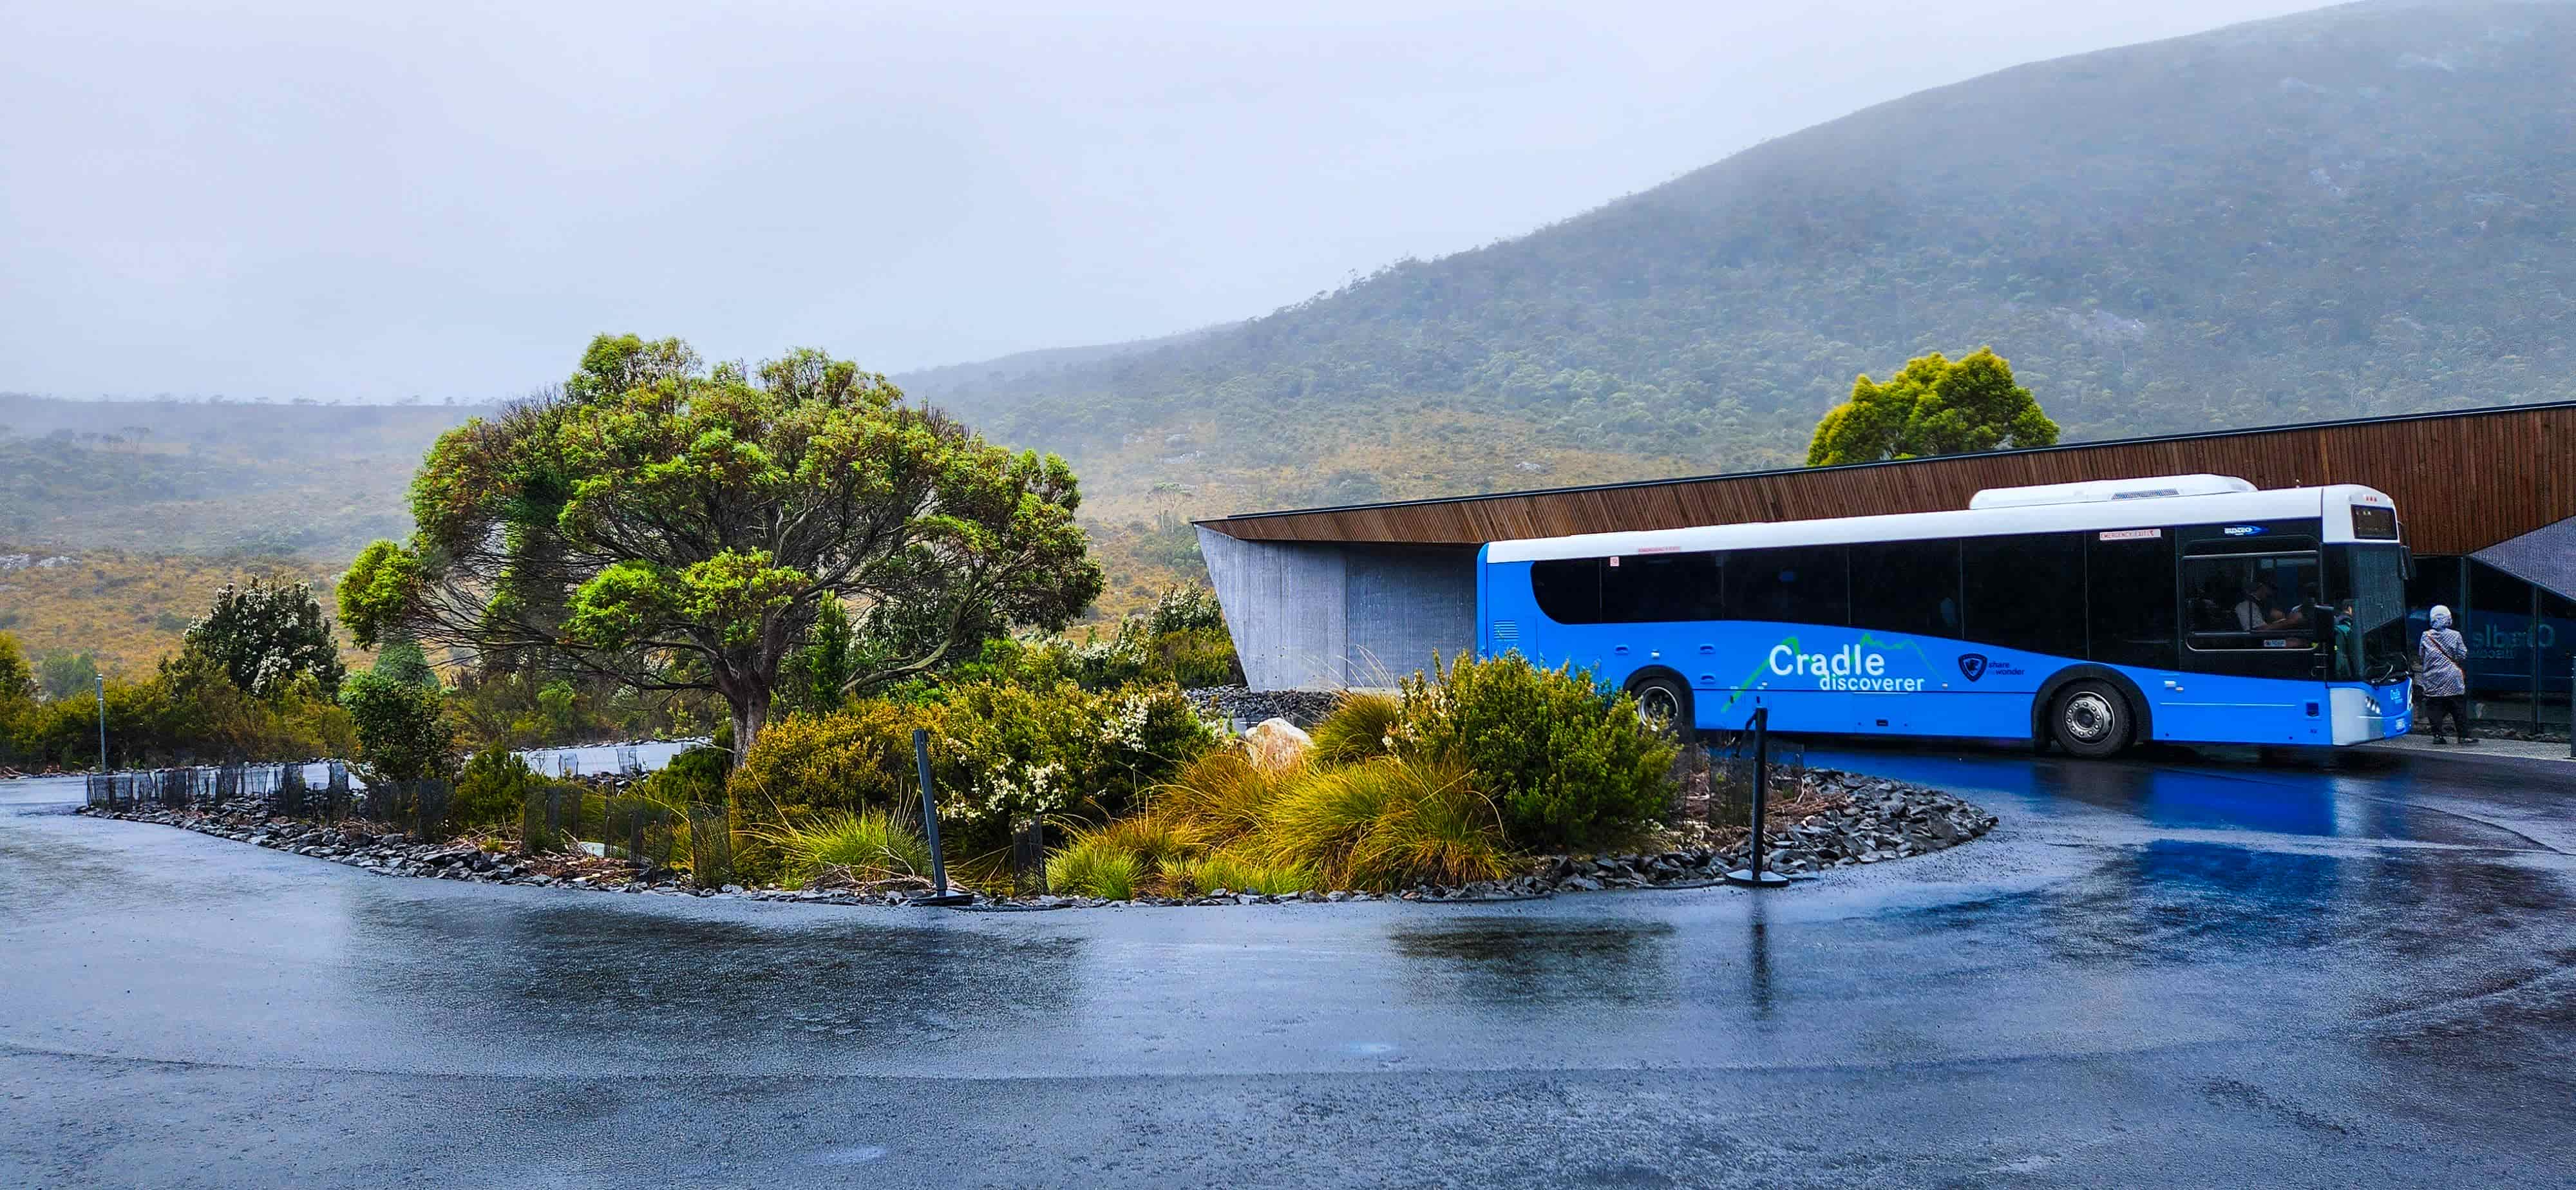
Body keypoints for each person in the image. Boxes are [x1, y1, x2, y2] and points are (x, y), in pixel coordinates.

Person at [2416, 604, 2476, 746]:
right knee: (2458, 706)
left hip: (2433, 678)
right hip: (2452, 678)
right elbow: (2463, 654)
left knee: (2434, 707)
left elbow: (2421, 655)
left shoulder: (2426, 636)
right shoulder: (2455, 635)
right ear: (2448, 619)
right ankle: (2463, 736)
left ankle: (2438, 735)